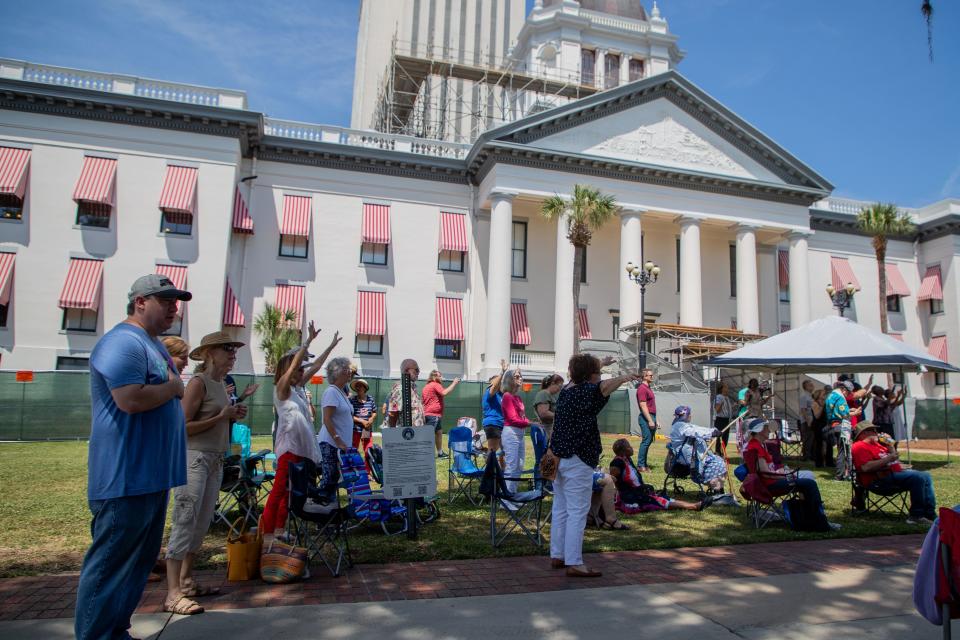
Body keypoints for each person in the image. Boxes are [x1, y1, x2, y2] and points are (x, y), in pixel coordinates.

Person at [75, 274, 191, 639]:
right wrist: (173, 387)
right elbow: (130, 399)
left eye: (176, 301)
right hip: (125, 477)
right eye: (165, 300)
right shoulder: (123, 342)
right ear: (140, 301)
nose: (174, 307)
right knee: (110, 565)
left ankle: (115, 631)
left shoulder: (152, 344)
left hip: (151, 478)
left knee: (137, 565)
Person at [164, 332, 248, 615]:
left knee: (201, 524)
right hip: (194, 459)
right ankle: (172, 592)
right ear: (210, 353)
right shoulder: (198, 384)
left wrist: (231, 415)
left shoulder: (220, 385)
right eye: (228, 349)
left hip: (215, 459)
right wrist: (221, 417)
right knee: (185, 521)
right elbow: (182, 427)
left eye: (234, 349)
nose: (233, 354)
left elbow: (218, 419)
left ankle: (187, 582)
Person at [549, 353, 640, 577]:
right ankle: (574, 562)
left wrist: (601, 364)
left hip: (557, 457)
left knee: (560, 508)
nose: (600, 376)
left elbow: (586, 376)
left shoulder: (567, 390)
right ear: (591, 376)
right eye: (597, 372)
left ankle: (558, 555)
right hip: (578, 459)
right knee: (578, 511)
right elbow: (604, 386)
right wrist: (625, 377)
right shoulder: (588, 392)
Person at [260, 323, 328, 543]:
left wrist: (331, 346)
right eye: (298, 368)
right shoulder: (282, 388)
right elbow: (294, 367)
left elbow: (316, 366)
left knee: (289, 491)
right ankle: (268, 533)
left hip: (300, 448)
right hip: (288, 447)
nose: (302, 372)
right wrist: (307, 341)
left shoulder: (298, 390)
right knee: (279, 489)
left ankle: (279, 529)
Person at [743, 418, 839, 531]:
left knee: (807, 483)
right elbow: (766, 474)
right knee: (809, 484)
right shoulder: (755, 447)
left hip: (769, 482)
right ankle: (820, 521)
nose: (769, 430)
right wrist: (785, 475)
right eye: (766, 428)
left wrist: (784, 472)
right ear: (759, 431)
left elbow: (765, 472)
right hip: (770, 485)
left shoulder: (756, 445)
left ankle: (812, 519)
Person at [851, 421, 937, 525]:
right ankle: (916, 515)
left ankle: (929, 514)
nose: (877, 432)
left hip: (894, 475)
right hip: (879, 481)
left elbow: (894, 458)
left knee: (926, 475)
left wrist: (890, 446)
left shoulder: (878, 445)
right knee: (918, 477)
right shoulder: (859, 446)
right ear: (863, 433)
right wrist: (888, 458)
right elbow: (865, 467)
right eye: (873, 430)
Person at [609, 438, 705, 513]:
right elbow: (612, 480)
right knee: (658, 500)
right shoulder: (617, 463)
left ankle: (692, 505)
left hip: (637, 493)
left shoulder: (627, 459)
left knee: (662, 497)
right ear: (623, 451)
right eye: (629, 446)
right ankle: (693, 506)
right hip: (630, 499)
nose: (631, 448)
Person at [318, 357, 356, 501]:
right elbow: (327, 419)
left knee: (335, 480)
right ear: (338, 372)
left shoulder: (341, 392)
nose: (349, 372)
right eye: (346, 369)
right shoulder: (331, 392)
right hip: (331, 444)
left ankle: (331, 515)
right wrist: (338, 440)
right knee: (330, 479)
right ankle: (324, 515)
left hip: (340, 446)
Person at [668, 406, 727, 493]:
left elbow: (698, 428)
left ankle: (718, 487)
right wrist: (712, 433)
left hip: (694, 456)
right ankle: (716, 488)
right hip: (689, 458)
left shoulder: (683, 425)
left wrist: (713, 431)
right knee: (717, 463)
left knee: (719, 460)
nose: (690, 416)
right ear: (686, 415)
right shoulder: (679, 426)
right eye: (689, 414)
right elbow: (694, 431)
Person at [500, 368, 537, 493]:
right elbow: (512, 419)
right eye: (517, 376)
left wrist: (530, 421)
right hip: (511, 433)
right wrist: (529, 423)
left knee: (519, 465)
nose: (520, 378)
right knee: (511, 465)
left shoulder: (518, 398)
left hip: (520, 433)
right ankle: (507, 499)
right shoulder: (507, 396)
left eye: (520, 376)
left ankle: (513, 494)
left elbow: (521, 417)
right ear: (509, 380)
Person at [422, 370, 461, 458]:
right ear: (434, 377)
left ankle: (440, 453)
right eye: (440, 376)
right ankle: (424, 455)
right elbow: (444, 392)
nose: (441, 378)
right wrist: (454, 383)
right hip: (433, 415)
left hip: (428, 414)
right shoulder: (436, 384)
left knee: (439, 432)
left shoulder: (426, 386)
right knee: (428, 435)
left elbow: (423, 401)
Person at [826, 380, 860, 481]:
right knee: (846, 451)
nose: (848, 395)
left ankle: (839, 475)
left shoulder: (832, 395)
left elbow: (837, 411)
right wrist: (856, 413)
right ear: (843, 389)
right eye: (848, 392)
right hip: (842, 425)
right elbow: (845, 415)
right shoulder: (840, 397)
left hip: (834, 425)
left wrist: (851, 410)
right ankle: (847, 474)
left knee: (841, 450)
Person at [481, 359, 509, 456]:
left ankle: (502, 470)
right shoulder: (490, 391)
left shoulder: (502, 395)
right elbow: (494, 386)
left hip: (501, 424)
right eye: (499, 382)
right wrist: (503, 372)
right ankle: (489, 470)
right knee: (493, 450)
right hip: (493, 424)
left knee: (503, 450)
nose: (501, 383)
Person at [387, 359, 425, 427]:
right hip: (406, 435)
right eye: (416, 370)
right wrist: (393, 434)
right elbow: (393, 414)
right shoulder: (400, 389)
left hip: (417, 434)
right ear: (407, 371)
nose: (418, 372)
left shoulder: (412, 389)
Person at [634, 368, 658, 473]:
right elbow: (643, 406)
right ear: (644, 377)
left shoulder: (648, 388)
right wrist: (650, 420)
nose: (652, 377)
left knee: (648, 442)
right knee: (646, 441)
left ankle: (644, 464)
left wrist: (656, 419)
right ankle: (640, 466)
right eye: (650, 375)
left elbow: (651, 405)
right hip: (645, 418)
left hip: (651, 416)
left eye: (652, 375)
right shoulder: (642, 389)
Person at [349, 378, 377, 450]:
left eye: (360, 386)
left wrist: (371, 419)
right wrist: (362, 421)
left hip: (367, 429)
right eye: (357, 386)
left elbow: (374, 412)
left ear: (365, 388)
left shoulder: (370, 399)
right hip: (355, 430)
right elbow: (350, 416)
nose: (358, 388)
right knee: (353, 450)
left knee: (368, 449)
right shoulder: (352, 400)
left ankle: (367, 461)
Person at [534, 374, 563, 441]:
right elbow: (543, 413)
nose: (560, 389)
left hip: (548, 430)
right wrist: (560, 415)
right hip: (544, 430)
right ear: (552, 383)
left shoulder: (550, 395)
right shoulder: (544, 394)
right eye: (559, 386)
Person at [713, 382, 734, 455]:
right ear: (722, 388)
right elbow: (717, 409)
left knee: (725, 437)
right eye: (726, 387)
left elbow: (726, 409)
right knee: (719, 437)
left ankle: (722, 452)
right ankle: (718, 452)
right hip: (720, 419)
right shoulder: (719, 397)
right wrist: (721, 403)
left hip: (726, 420)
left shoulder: (726, 398)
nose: (727, 389)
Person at [810, 387, 828, 468]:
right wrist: (822, 406)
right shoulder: (815, 403)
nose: (825, 395)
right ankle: (819, 463)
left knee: (827, 444)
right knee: (819, 445)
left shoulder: (825, 402)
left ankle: (828, 461)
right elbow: (817, 416)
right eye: (823, 394)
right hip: (818, 426)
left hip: (825, 425)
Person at [798, 380, 815, 461]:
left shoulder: (811, 396)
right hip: (806, 421)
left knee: (811, 438)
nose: (812, 386)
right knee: (807, 439)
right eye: (810, 385)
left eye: (812, 384)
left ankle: (811, 455)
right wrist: (808, 421)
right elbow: (803, 410)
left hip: (812, 419)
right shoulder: (804, 396)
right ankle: (806, 456)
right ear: (806, 387)